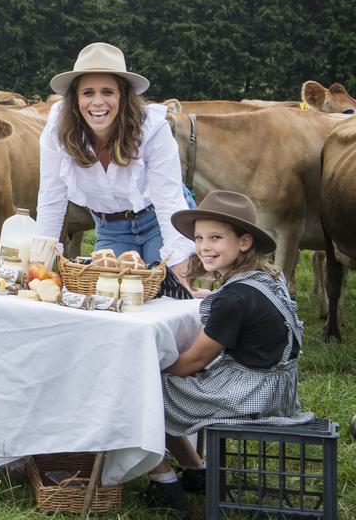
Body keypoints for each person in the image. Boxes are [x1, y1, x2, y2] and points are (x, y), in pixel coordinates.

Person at [142, 190, 312, 514]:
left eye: (216, 238)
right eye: (199, 238)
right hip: (278, 386)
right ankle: (196, 470)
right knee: (158, 388)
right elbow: (249, 315)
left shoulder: (233, 299)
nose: (205, 247)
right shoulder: (267, 278)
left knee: (145, 391)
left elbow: (194, 361)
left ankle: (166, 485)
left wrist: (155, 370)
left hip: (250, 393)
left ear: (244, 242)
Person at [34, 41, 201, 299]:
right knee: (109, 299)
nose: (98, 102)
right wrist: (38, 268)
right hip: (110, 227)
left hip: (156, 219)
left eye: (107, 92)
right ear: (75, 98)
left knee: (167, 297)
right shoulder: (58, 128)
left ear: (122, 96)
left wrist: (181, 274)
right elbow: (51, 199)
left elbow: (169, 202)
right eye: (88, 92)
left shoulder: (152, 130)